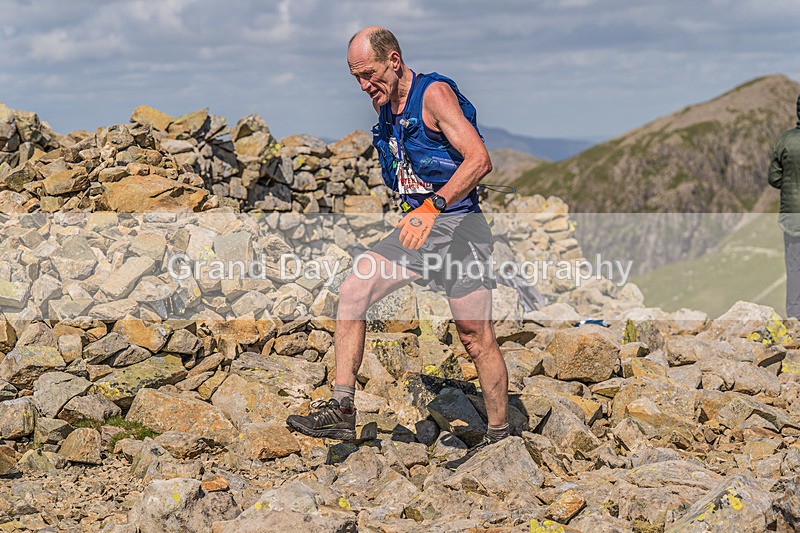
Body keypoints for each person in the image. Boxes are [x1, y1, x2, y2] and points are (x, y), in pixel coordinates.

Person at [287, 26, 510, 465]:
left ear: (394, 59)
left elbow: (479, 158)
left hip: (457, 227)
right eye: (357, 79)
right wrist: (422, 213)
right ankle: (342, 408)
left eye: (370, 73)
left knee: (475, 336)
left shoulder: (433, 95)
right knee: (354, 291)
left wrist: (433, 206)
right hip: (420, 230)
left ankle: (500, 434)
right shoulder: (387, 109)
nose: (365, 85)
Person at [768, 94, 800, 319]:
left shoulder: (785, 140)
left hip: (792, 217)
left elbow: (774, 178)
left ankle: (795, 319)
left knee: (794, 268)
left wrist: (790, 183)